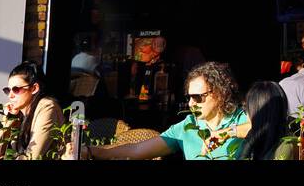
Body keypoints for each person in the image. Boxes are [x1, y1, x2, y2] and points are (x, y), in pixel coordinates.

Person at [82, 62, 249, 160]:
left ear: (219, 94)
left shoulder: (239, 118)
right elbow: (135, 150)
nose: (191, 103)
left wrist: (227, 132)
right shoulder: (187, 127)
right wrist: (90, 151)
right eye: (188, 97)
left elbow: (269, 126)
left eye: (198, 97)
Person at [0, 62, 62, 160]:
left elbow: (32, 156)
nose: (10, 95)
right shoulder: (19, 114)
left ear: (34, 88)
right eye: (8, 90)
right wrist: (8, 118)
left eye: (16, 89)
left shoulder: (47, 107)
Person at [237, 81, 298, 160]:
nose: (247, 115)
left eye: (247, 109)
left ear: (258, 113)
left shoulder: (286, 145)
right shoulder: (255, 137)